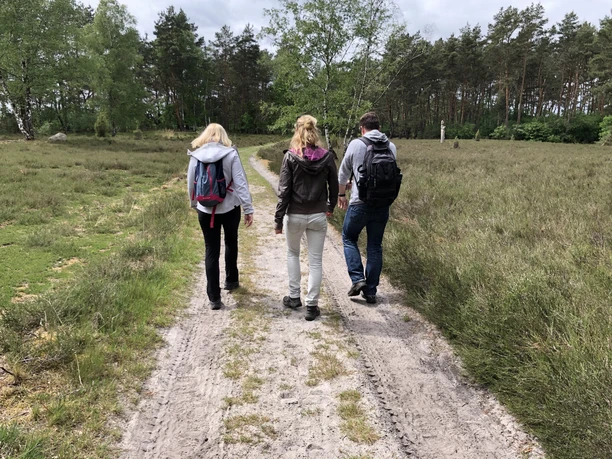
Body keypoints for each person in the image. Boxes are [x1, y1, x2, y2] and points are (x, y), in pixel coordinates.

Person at [275, 115, 339, 321]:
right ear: (315, 131)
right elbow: (334, 186)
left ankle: (294, 297)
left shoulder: (290, 157)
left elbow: (284, 190)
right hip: (318, 215)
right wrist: (330, 207)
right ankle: (312, 305)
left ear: (297, 130)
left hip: (295, 214)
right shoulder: (327, 157)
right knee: (315, 261)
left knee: (293, 254)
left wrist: (278, 219)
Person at [187, 123, 254, 310]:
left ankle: (214, 297)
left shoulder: (196, 155)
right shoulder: (230, 154)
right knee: (231, 242)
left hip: (205, 210)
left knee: (211, 250)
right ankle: (231, 281)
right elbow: (240, 183)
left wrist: (195, 204)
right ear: (223, 136)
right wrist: (248, 208)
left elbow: (191, 183)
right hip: (230, 207)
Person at [337, 112, 397, 304]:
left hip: (359, 203)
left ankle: (357, 279)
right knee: (374, 246)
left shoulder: (356, 144)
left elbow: (342, 174)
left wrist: (341, 195)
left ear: (362, 128)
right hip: (382, 204)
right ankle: (370, 291)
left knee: (349, 238)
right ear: (379, 128)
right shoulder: (391, 146)